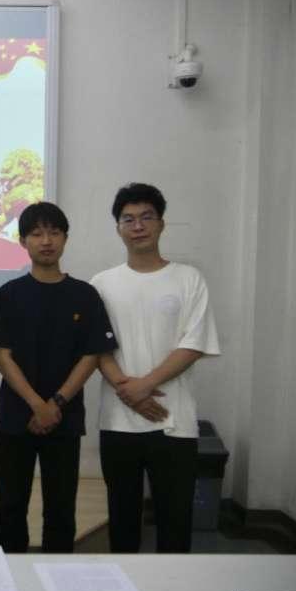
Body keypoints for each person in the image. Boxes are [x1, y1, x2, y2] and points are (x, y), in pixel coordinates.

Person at [91, 183, 220, 553]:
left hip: (173, 421)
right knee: (122, 522)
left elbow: (194, 343)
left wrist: (144, 385)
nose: (138, 226)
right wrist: (129, 392)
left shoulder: (188, 278)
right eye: (128, 219)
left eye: (147, 217)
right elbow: (96, 348)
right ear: (118, 228)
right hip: (118, 421)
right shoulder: (102, 284)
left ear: (162, 223)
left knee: (175, 521)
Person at [0, 202, 117, 553]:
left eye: (54, 233)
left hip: (65, 419)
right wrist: (37, 405)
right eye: (36, 234)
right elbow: (3, 357)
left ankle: (58, 579)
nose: (46, 241)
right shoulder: (8, 294)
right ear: (23, 242)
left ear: (65, 238)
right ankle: (8, 578)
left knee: (61, 509)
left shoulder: (85, 295)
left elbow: (91, 355)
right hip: (16, 418)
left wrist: (56, 403)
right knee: (9, 506)